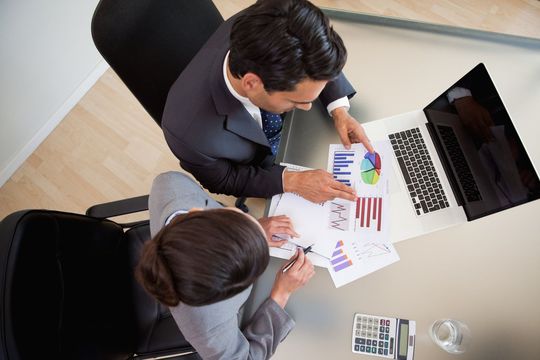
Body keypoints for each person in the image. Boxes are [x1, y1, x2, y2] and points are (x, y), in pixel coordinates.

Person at [161, 0, 373, 204]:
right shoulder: (188, 135)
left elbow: (317, 54)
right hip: (264, 167)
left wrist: (339, 110)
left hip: (302, 138)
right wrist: (292, 181)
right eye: (297, 100)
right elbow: (225, 179)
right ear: (252, 83)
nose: (308, 106)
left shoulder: (278, 12)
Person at [136, 171, 315, 359]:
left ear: (197, 212)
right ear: (223, 293)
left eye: (240, 218)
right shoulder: (205, 322)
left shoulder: (170, 183)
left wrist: (255, 228)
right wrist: (281, 294)